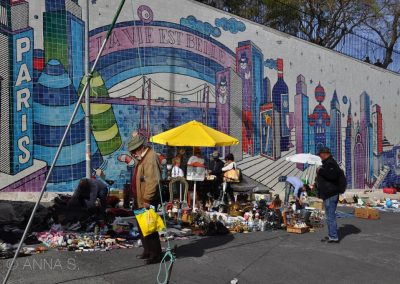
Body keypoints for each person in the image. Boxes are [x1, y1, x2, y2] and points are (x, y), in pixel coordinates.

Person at [128, 132, 163, 264]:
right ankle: (147, 251)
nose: (132, 154)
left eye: (133, 151)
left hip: (147, 199)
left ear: (140, 147)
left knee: (149, 227)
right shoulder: (142, 157)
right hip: (140, 198)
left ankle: (155, 255)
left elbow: (153, 181)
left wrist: (147, 199)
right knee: (142, 226)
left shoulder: (150, 157)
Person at [316, 147, 341, 243]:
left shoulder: (330, 163)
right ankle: (332, 235)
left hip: (331, 194)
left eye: (320, 154)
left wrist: (320, 171)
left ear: (325, 154)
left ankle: (334, 236)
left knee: (331, 216)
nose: (319, 156)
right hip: (328, 194)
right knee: (329, 215)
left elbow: (332, 176)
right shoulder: (328, 163)